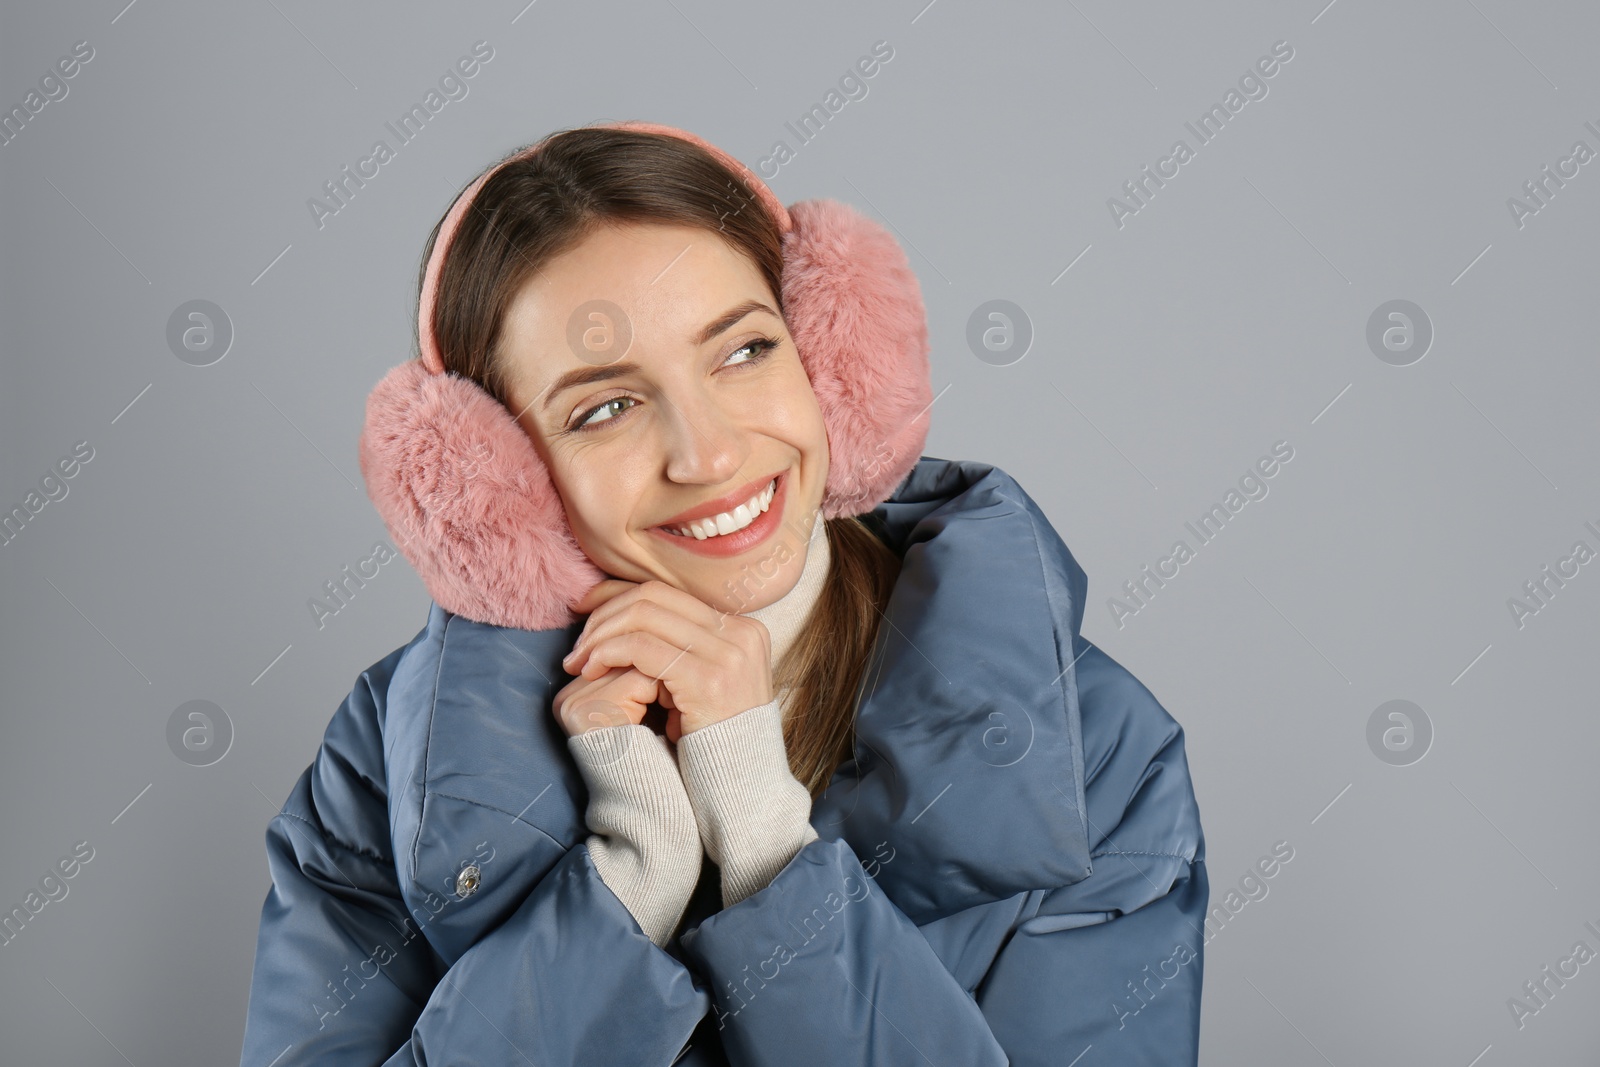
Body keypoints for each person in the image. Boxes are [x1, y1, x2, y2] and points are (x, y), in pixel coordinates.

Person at [237, 121, 1209, 1066]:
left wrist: (762, 839)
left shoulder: (1099, 750)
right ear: (501, 485)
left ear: (831, 364)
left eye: (743, 350)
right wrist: (622, 891)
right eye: (605, 407)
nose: (707, 453)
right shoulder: (385, 761)